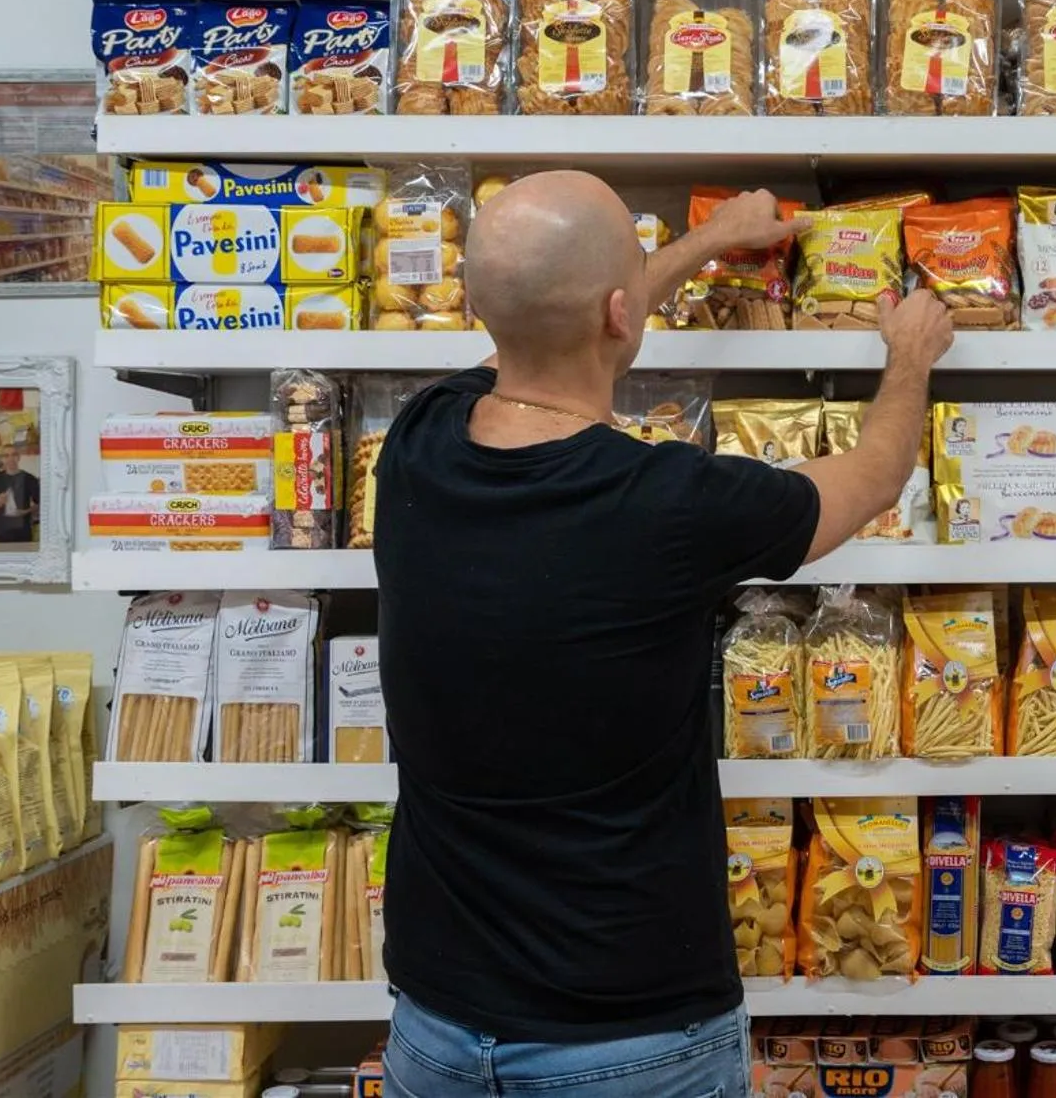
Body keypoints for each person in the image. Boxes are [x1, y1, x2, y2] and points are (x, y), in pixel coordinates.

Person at [373, 172, 953, 1098]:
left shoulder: (419, 440)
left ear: (480, 306)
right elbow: (874, 477)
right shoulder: (671, 503)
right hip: (630, 1039)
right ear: (617, 311)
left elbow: (569, 314)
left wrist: (713, 238)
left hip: (437, 1027)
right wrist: (911, 354)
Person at [0, 450, 38, 545]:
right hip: (0, 531)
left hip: (22, 531)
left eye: (14, 455)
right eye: (6, 455)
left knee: (22, 559)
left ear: (19, 457)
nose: (10, 459)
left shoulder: (30, 478)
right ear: (3, 459)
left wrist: (25, 511)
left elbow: (39, 504)